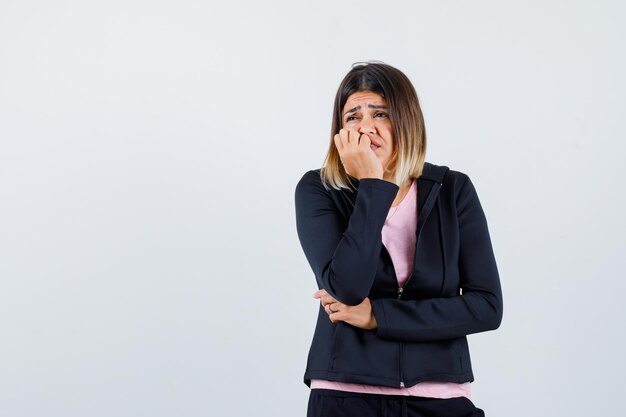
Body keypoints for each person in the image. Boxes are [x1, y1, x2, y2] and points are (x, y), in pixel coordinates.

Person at [294, 61, 503, 417]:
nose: (366, 128)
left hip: (441, 398)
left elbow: (487, 307)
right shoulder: (319, 189)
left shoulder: (453, 190)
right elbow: (347, 287)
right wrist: (373, 186)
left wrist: (378, 315)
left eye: (380, 114)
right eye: (352, 117)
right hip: (345, 397)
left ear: (406, 121)